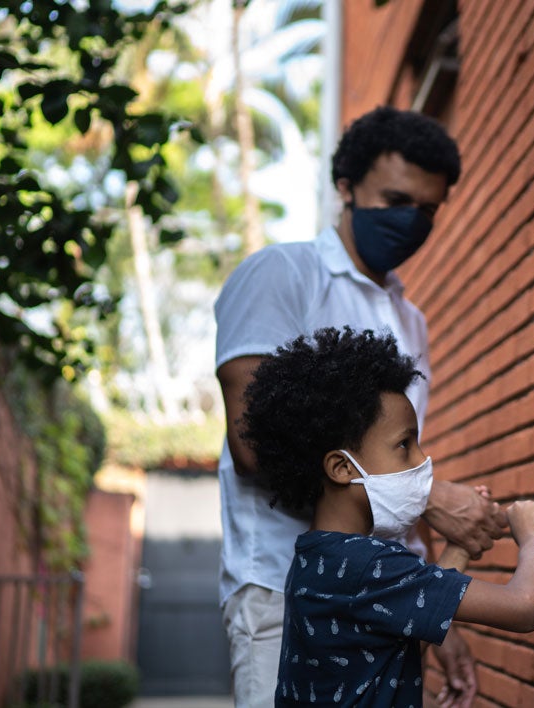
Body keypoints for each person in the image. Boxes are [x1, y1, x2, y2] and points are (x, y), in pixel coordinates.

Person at [215, 107, 504, 707]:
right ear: (345, 187)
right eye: (395, 199)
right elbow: (251, 444)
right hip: (285, 593)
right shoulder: (282, 274)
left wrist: (435, 608)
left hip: (386, 598)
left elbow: (393, 462)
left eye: (427, 210)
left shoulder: (409, 319)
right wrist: (434, 498)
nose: (410, 220)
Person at [239, 327, 534, 707]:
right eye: (404, 445)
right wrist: (532, 534)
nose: (422, 461)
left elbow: (402, 630)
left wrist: (461, 545)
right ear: (341, 467)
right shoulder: (369, 566)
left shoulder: (318, 559)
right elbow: (525, 608)